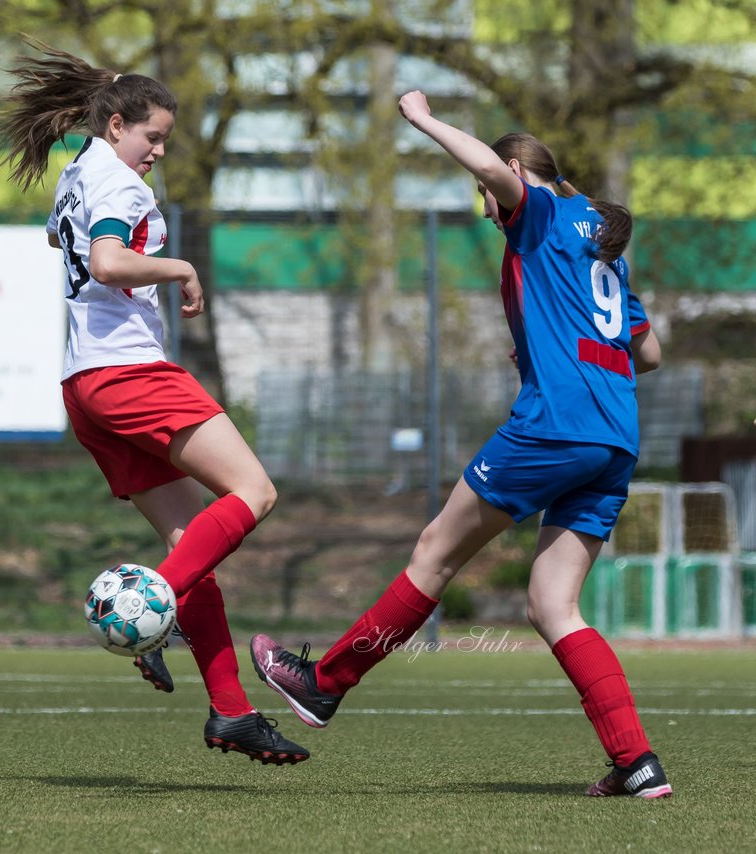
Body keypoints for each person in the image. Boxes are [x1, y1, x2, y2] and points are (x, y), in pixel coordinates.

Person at [251, 90, 671, 796]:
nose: (485, 205)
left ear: (510, 171)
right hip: (615, 435)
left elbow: (501, 177)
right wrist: (557, 347)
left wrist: (423, 119)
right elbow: (649, 352)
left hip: (555, 424)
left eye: (484, 191)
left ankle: (324, 684)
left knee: (434, 553)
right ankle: (636, 761)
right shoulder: (600, 237)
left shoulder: (536, 212)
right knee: (553, 606)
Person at [0, 40, 307, 765]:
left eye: (164, 139)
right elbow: (107, 263)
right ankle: (152, 611)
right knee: (254, 492)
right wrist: (180, 267)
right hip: (131, 374)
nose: (159, 151)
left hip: (85, 383)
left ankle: (231, 711)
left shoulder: (81, 173)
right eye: (152, 136)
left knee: (189, 545)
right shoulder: (121, 185)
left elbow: (63, 243)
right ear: (115, 126)